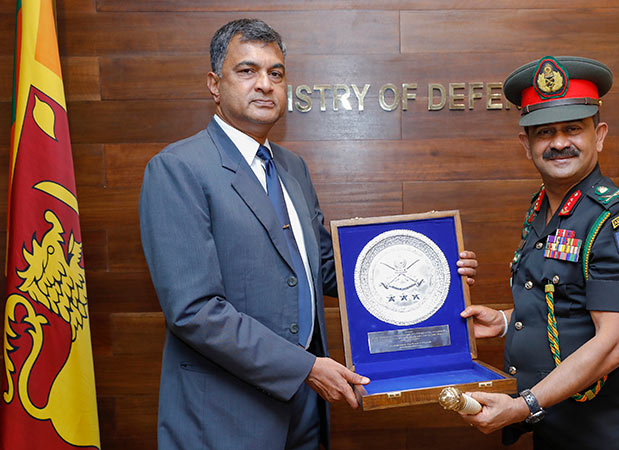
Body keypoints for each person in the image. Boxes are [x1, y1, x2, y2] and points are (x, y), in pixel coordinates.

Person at [139, 18, 478, 450]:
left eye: (276, 73)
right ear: (214, 83)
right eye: (247, 71)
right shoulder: (178, 169)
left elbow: (321, 268)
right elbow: (194, 311)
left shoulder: (291, 167)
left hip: (305, 414)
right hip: (226, 417)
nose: (265, 84)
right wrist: (305, 367)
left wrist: (435, 272)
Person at [459, 56, 619, 450]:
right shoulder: (544, 206)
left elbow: (615, 343)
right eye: (544, 132)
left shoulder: (615, 221)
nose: (558, 143)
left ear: (599, 135)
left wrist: (523, 405)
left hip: (609, 437)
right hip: (556, 430)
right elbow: (567, 302)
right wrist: (504, 321)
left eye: (573, 129)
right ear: (526, 144)